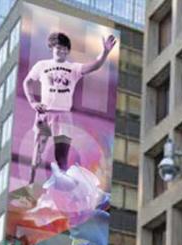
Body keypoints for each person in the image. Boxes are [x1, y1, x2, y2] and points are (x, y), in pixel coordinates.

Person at [23, 31, 116, 184]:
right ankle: (30, 183)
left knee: (62, 154)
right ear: (52, 48)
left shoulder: (73, 68)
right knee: (38, 150)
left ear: (68, 51)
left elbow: (94, 66)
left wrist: (104, 52)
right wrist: (33, 102)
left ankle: (62, 185)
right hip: (45, 113)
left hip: (64, 115)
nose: (61, 51)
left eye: (65, 49)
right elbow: (27, 82)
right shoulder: (42, 65)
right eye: (58, 48)